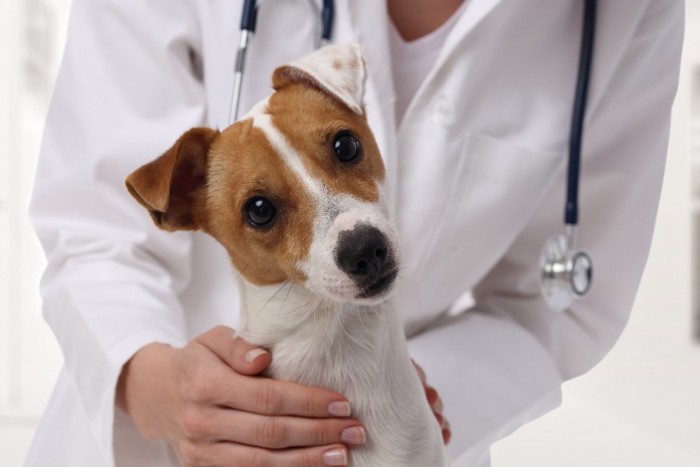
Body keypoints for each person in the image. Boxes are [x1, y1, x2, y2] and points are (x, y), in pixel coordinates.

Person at [26, 0, 684, 466]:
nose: (352, 234)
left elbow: (567, 303)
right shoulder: (190, 183)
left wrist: (415, 398)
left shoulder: (625, 12)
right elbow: (92, 229)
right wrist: (159, 387)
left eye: (343, 146)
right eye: (263, 210)